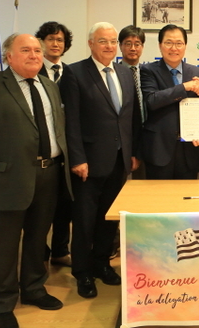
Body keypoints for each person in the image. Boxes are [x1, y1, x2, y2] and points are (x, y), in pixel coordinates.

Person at [0, 33, 71, 328]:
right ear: (9, 56)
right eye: (26, 50)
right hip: (5, 180)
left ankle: (33, 289)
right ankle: (1, 302)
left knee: (38, 239)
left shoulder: (49, 85)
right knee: (3, 245)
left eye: (37, 50)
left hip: (48, 174)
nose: (34, 55)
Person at [59, 22, 142, 299]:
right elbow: (70, 120)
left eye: (112, 41)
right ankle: (82, 272)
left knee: (109, 218)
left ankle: (102, 263)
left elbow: (131, 117)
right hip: (88, 163)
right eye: (102, 41)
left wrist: (132, 152)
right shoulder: (75, 73)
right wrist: (77, 158)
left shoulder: (124, 72)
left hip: (119, 160)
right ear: (91, 44)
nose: (109, 46)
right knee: (84, 221)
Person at [140, 24, 199, 179]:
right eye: (168, 43)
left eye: (179, 43)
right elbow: (152, 101)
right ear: (160, 45)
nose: (174, 48)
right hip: (159, 148)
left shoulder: (197, 72)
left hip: (189, 148)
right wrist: (184, 87)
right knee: (157, 193)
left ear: (185, 46)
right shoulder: (148, 70)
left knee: (186, 192)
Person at [35, 21, 74, 268]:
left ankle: (60, 250)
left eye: (60, 40)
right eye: (50, 39)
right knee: (41, 208)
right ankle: (39, 252)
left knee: (65, 204)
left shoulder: (72, 73)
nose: (56, 44)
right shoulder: (32, 71)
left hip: (66, 150)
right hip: (41, 150)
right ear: (41, 42)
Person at [119, 25, 147, 179]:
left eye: (137, 44)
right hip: (123, 139)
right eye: (128, 44)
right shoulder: (113, 74)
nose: (133, 48)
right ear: (120, 46)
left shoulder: (149, 73)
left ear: (142, 47)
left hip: (147, 137)